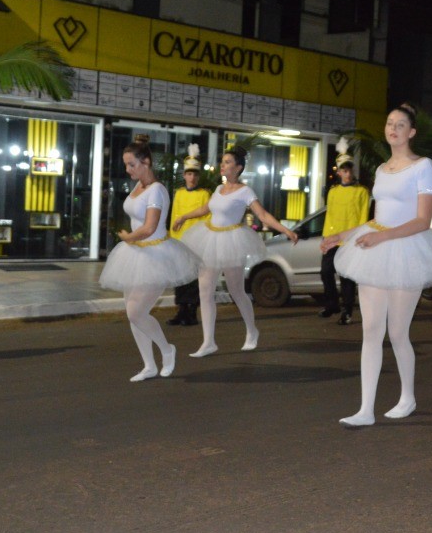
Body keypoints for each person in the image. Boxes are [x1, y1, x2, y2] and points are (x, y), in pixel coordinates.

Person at [323, 103, 432, 427]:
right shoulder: (382, 169)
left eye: (400, 124)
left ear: (411, 132)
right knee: (371, 330)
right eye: (389, 123)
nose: (393, 128)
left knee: (397, 332)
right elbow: (378, 217)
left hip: (406, 250)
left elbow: (423, 221)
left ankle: (407, 397)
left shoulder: (424, 166)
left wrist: (381, 239)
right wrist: (343, 235)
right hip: (376, 246)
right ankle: (365, 409)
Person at [173, 145, 298, 357]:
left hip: (231, 241)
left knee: (236, 291)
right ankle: (208, 341)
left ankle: (251, 331)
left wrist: (286, 229)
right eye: (222, 162)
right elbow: (206, 209)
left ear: (238, 168)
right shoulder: (218, 190)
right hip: (210, 238)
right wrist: (185, 216)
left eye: (228, 162)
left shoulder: (245, 191)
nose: (223, 165)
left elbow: (263, 215)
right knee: (205, 291)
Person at [99, 137, 202, 382]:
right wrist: (131, 240)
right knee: (132, 313)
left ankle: (167, 349)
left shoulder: (157, 190)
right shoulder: (139, 187)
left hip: (156, 254)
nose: (128, 170)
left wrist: (128, 237)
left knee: (136, 312)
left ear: (146, 162)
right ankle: (149, 365)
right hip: (134, 253)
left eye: (131, 164)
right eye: (126, 165)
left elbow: (149, 227)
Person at [318, 137, 370, 325]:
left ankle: (347, 311)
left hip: (350, 240)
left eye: (350, 169)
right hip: (332, 239)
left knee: (347, 278)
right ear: (339, 172)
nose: (347, 173)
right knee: (325, 272)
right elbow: (329, 216)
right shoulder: (333, 192)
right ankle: (332, 304)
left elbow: (363, 218)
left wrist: (359, 239)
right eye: (344, 170)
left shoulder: (362, 192)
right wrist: (325, 239)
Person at [167, 144, 210, 327]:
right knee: (180, 276)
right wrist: (171, 239)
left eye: (195, 174)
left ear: (198, 176)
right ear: (184, 175)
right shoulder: (179, 194)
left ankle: (192, 312)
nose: (191, 178)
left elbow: (208, 217)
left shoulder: (204, 195)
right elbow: (174, 217)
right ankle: (181, 310)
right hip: (180, 241)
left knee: (193, 278)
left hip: (197, 242)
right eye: (189, 174)